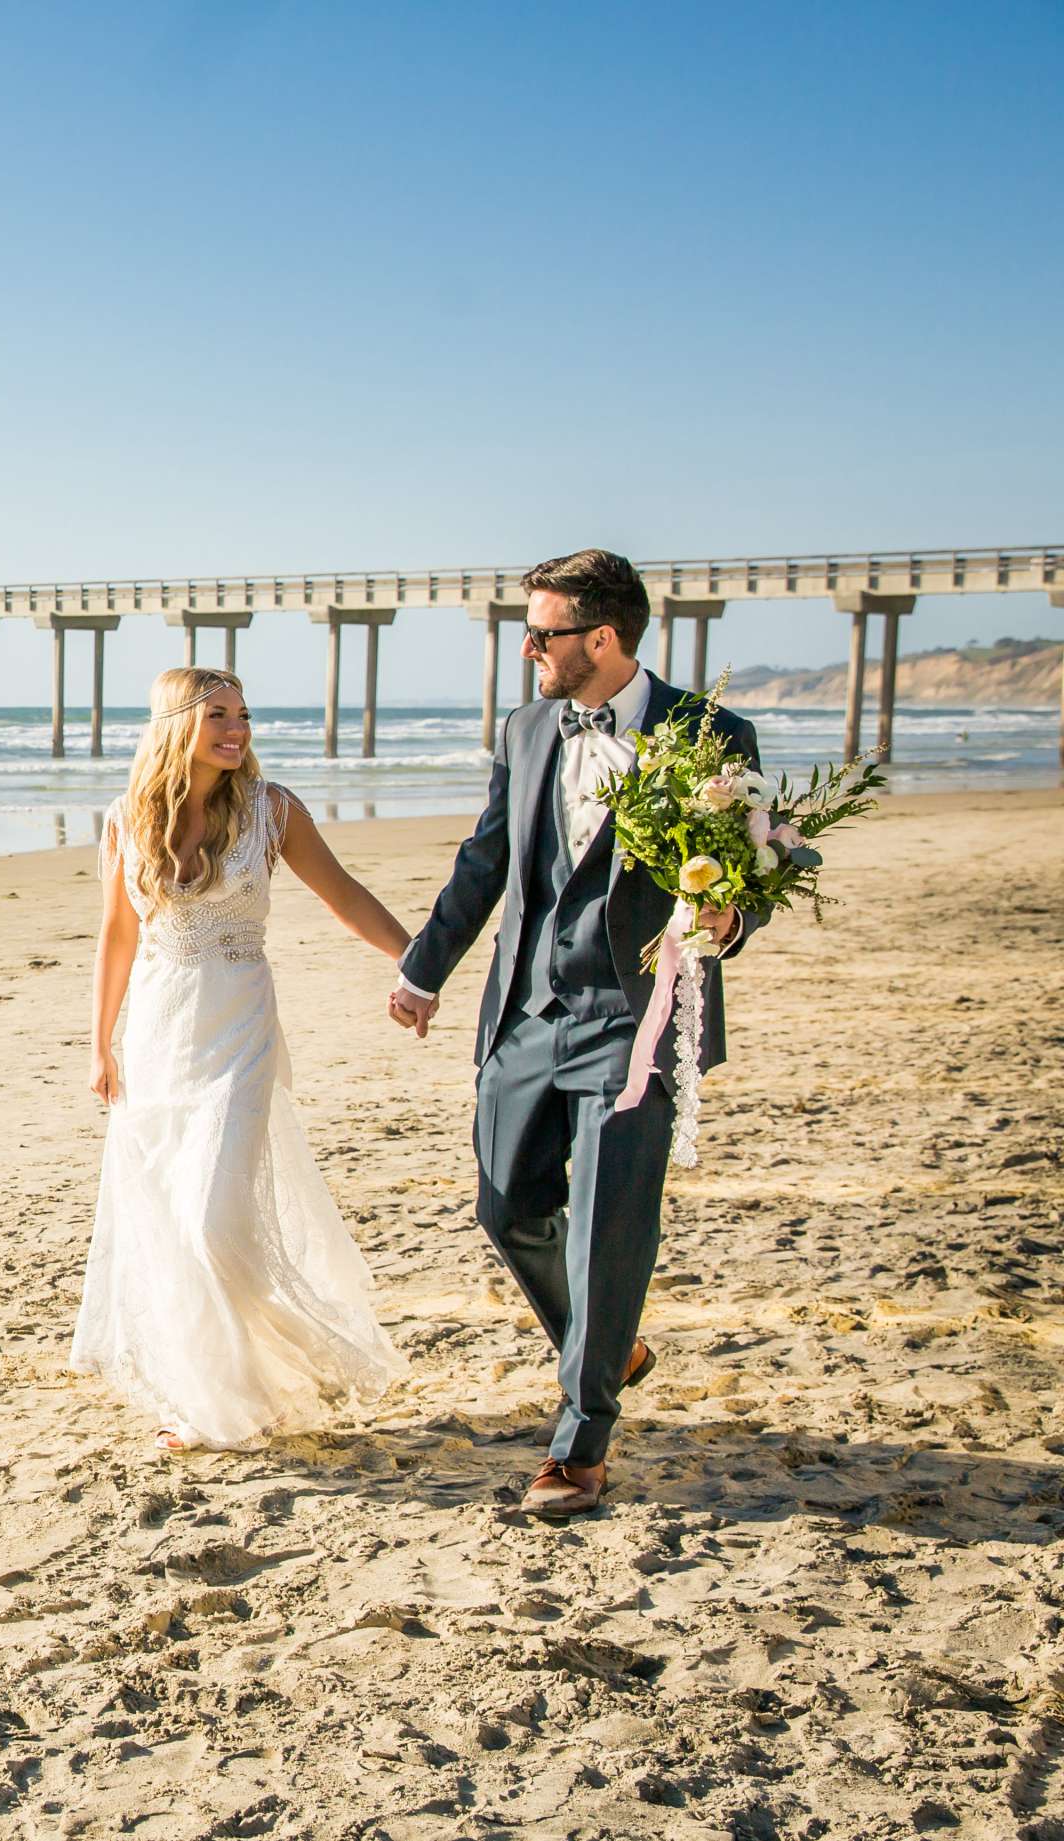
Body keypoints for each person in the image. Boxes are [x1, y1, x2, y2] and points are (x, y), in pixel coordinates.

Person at [388, 548, 766, 1516]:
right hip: (526, 1008)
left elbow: (749, 866)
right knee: (504, 1204)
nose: (526, 650)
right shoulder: (525, 728)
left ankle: (578, 1440)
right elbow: (487, 861)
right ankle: (611, 1345)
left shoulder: (709, 732)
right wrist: (424, 968)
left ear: (601, 637)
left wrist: (731, 918)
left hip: (635, 1016)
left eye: (543, 634)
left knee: (609, 1225)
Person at [74, 665, 411, 1451]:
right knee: (168, 1217)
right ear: (174, 724)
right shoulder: (128, 819)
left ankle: (267, 1365)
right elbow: (118, 935)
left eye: (244, 715)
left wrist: (416, 958)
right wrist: (99, 1042)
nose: (238, 729)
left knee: (213, 1218)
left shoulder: (273, 810)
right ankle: (205, 1398)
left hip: (240, 1030)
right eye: (218, 714)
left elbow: (345, 893)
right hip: (158, 1035)